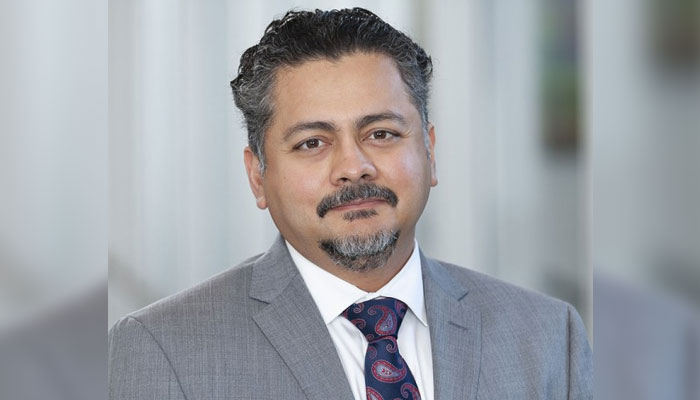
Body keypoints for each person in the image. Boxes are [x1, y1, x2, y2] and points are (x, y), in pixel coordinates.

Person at [108, 7, 592, 400]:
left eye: (381, 134)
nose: (354, 167)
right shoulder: (164, 350)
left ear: (429, 151)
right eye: (312, 143)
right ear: (258, 176)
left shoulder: (549, 337)